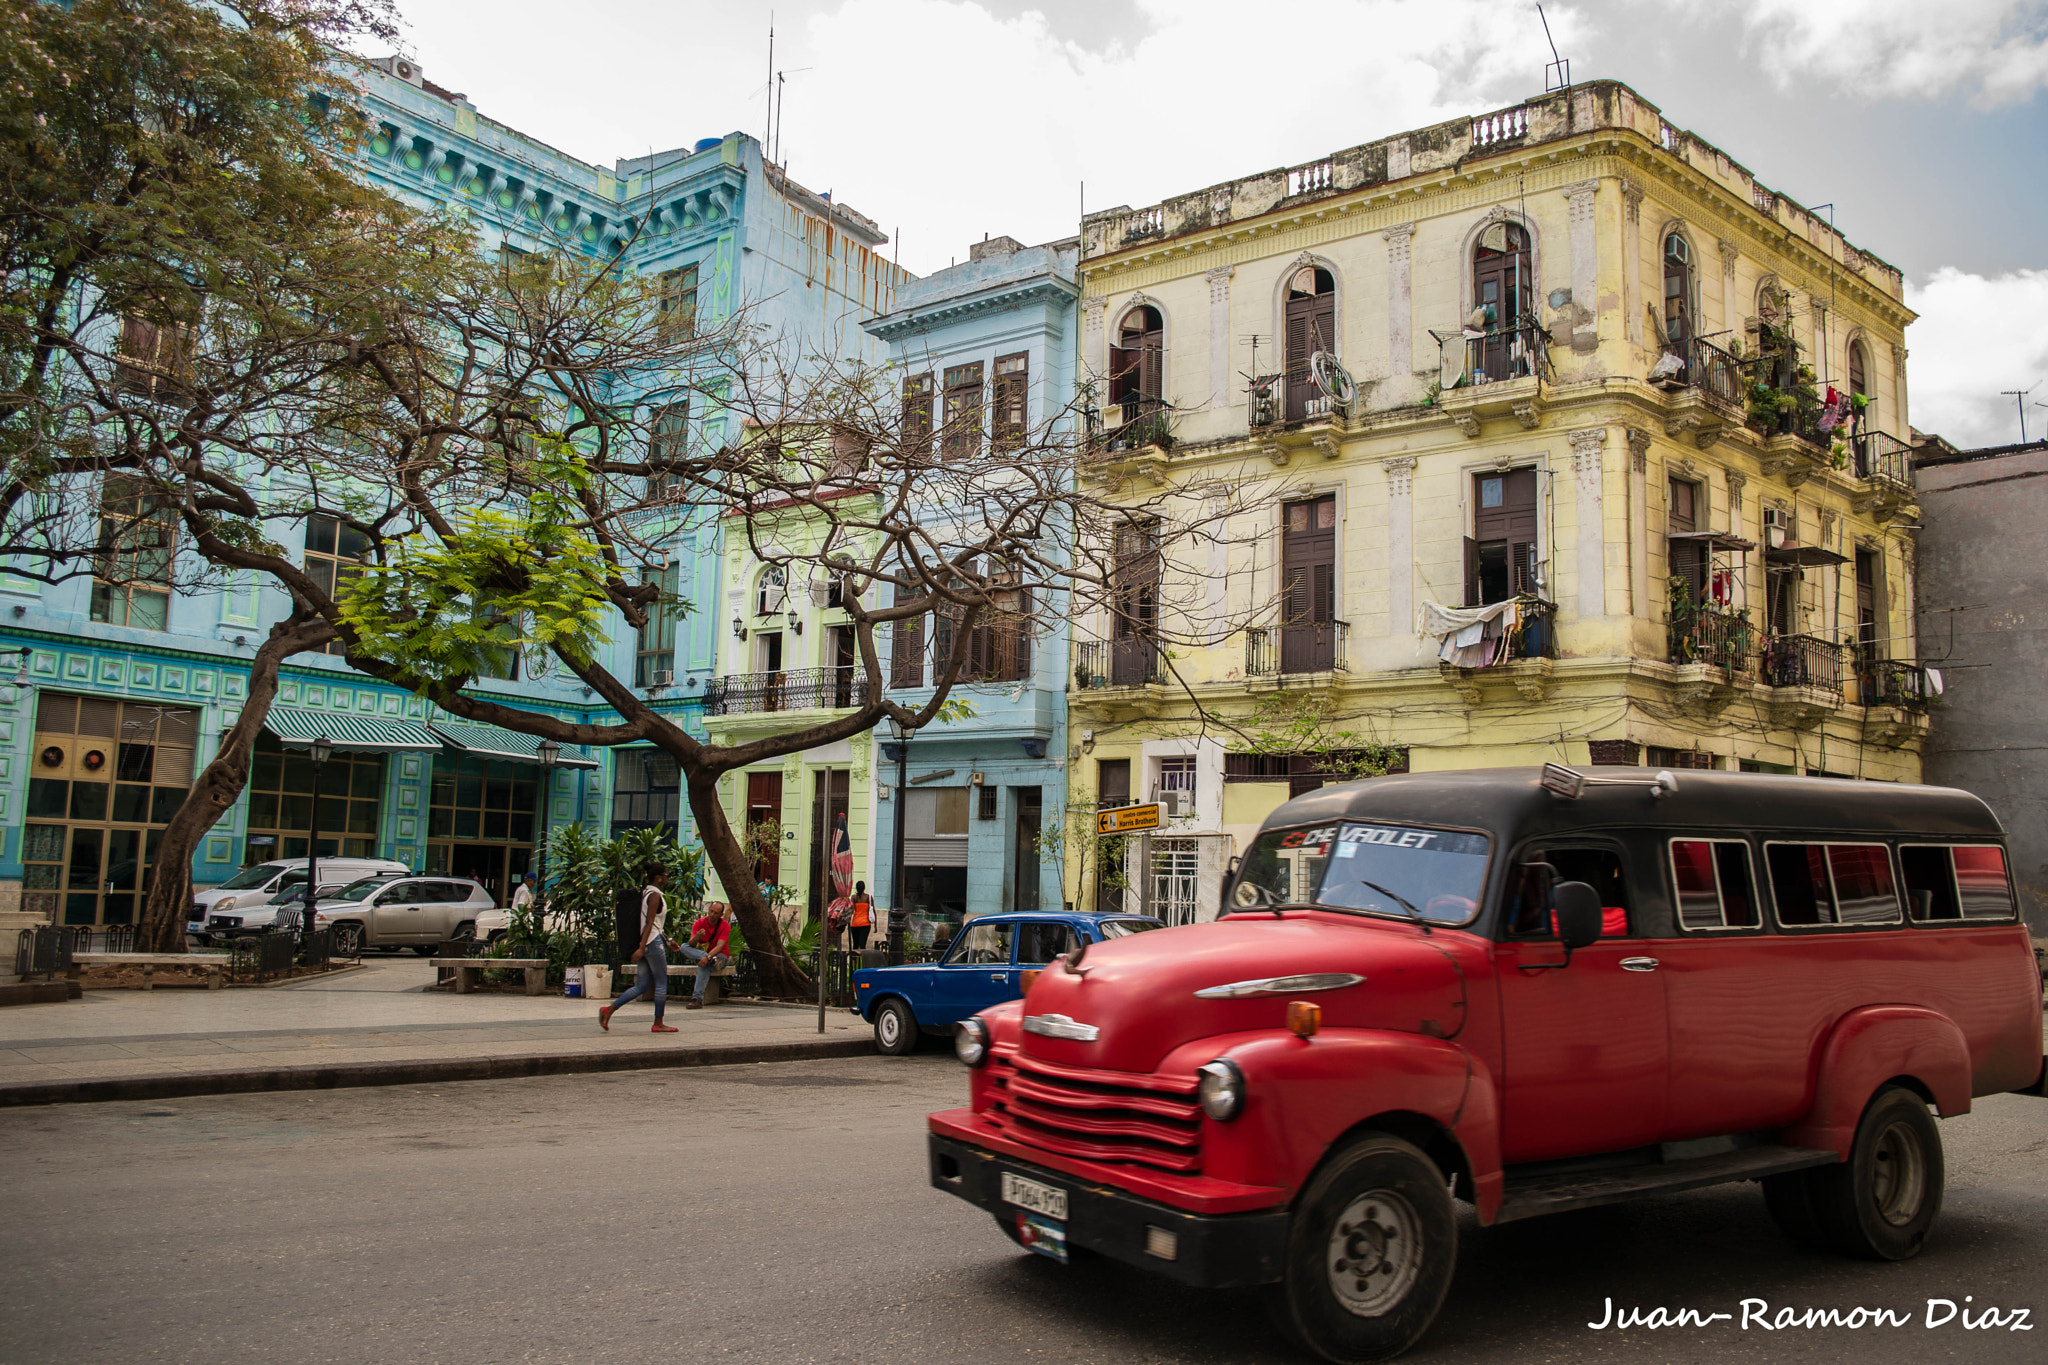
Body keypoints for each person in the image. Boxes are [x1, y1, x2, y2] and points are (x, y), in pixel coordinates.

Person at [599, 865, 677, 1034]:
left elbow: (654, 923)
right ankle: (658, 1022)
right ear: (658, 878)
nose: (667, 878)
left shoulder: (645, 893)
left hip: (647, 941)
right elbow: (650, 923)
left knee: (642, 985)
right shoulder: (655, 895)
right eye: (665, 875)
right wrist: (642, 948)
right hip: (651, 943)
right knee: (661, 982)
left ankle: (609, 1010)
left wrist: (668, 941)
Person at [674, 901, 732, 1010]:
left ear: (721, 915)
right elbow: (691, 944)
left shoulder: (725, 926)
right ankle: (697, 999)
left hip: (719, 956)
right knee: (683, 947)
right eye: (711, 911)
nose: (712, 915)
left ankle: (697, 999)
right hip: (704, 956)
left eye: (716, 913)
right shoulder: (699, 923)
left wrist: (707, 957)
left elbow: (720, 946)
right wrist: (697, 938)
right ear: (708, 910)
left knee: (705, 965)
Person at [848, 880, 875, 951]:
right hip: (865, 924)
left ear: (856, 888)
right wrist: (875, 925)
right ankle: (862, 961)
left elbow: (851, 910)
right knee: (863, 945)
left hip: (855, 924)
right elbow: (873, 911)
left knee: (855, 945)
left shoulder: (854, 897)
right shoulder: (868, 897)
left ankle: (854, 961)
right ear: (864, 888)